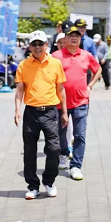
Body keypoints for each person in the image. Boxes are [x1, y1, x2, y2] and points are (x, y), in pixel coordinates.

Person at [14, 31, 68, 200]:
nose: (37, 47)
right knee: (29, 151)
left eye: (40, 44)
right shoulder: (23, 65)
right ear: (30, 46)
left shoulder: (55, 63)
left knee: (54, 148)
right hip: (31, 112)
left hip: (51, 111)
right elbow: (20, 90)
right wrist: (17, 110)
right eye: (34, 44)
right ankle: (33, 186)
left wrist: (64, 112)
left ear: (46, 45)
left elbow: (61, 90)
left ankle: (49, 181)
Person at [52, 24, 102, 181]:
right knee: (60, 134)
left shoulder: (86, 55)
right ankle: (64, 154)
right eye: (71, 36)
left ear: (80, 39)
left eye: (77, 36)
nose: (74, 38)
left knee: (80, 135)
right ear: (64, 39)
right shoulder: (56, 56)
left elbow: (98, 69)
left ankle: (76, 166)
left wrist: (90, 85)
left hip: (81, 101)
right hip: (60, 103)